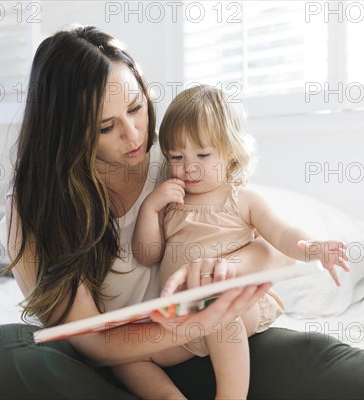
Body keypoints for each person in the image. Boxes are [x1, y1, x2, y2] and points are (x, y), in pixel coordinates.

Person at [0, 25, 364, 400]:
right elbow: (88, 340)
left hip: (222, 347)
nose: (134, 135)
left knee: (353, 371)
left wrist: (226, 270)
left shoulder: (178, 161)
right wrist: (184, 325)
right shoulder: (35, 211)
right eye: (106, 127)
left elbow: (265, 241)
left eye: (136, 107)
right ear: (67, 135)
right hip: (112, 370)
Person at [113, 84, 350, 400]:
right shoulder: (172, 203)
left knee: (221, 315)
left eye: (203, 154)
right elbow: (148, 255)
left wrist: (315, 248)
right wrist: (150, 208)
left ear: (231, 151)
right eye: (177, 156)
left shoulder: (243, 199)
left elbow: (282, 234)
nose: (190, 166)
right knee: (125, 356)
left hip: (235, 310)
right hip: (183, 321)